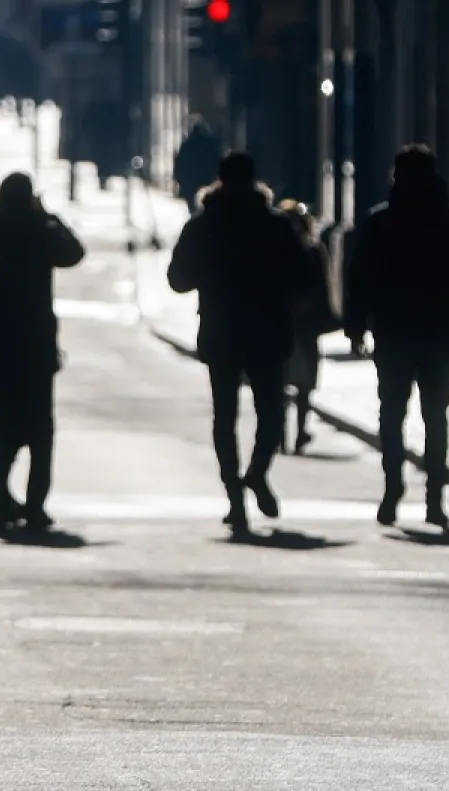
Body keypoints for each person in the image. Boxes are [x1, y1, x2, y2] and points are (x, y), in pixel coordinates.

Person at [167, 153, 312, 535]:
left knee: (225, 416)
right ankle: (257, 472)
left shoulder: (204, 224)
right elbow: (301, 276)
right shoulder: (275, 225)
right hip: (268, 327)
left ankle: (235, 498)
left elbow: (177, 279)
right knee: (271, 412)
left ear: (220, 179)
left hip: (222, 328)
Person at [344, 145, 449, 528]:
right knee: (436, 416)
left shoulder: (381, 221)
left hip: (393, 331)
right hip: (439, 332)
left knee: (391, 414)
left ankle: (392, 490)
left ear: (396, 175)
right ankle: (435, 498)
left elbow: (359, 278)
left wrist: (355, 328)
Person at [0, 172, 84, 533]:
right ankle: (35, 505)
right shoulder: (39, 228)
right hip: (32, 346)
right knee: (39, 430)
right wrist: (48, 214)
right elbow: (73, 251)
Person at [277, 199, 336, 454]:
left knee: (282, 383)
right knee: (303, 384)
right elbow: (323, 287)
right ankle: (298, 431)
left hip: (282, 324)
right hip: (305, 324)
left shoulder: (274, 250)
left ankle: (283, 433)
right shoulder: (313, 250)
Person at [173, 118, 223, 213]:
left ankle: (195, 216)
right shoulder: (211, 144)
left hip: (190, 181)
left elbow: (179, 163)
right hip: (207, 179)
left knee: (192, 206)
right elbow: (217, 160)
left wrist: (178, 178)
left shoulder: (187, 145)